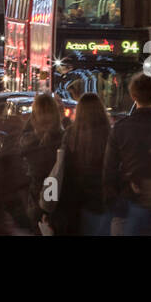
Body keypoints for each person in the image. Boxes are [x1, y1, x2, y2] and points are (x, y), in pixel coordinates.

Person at [103, 73, 151, 235]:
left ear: (133, 96)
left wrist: (116, 202)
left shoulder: (120, 129)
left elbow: (109, 171)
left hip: (129, 202)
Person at [56, 93, 111, 235]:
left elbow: (62, 168)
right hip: (103, 201)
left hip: (76, 201)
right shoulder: (109, 134)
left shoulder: (71, 135)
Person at [20, 93, 63, 233]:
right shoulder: (64, 139)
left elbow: (23, 135)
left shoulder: (29, 141)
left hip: (37, 197)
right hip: (59, 200)